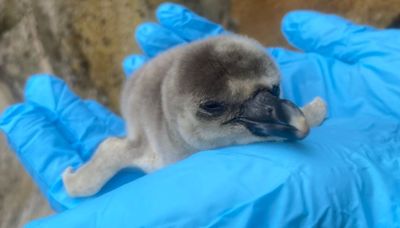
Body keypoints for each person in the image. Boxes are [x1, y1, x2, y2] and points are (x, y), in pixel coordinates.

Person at [1, 3, 400, 227]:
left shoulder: (273, 111)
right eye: (213, 108)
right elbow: (118, 150)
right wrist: (80, 182)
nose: (272, 110)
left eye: (272, 92)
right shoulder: (153, 148)